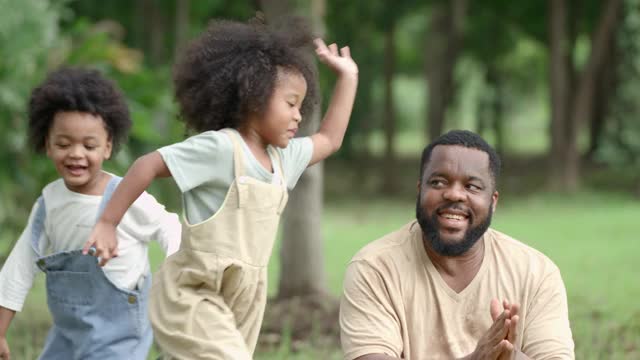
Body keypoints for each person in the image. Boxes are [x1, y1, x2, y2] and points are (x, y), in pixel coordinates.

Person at [83, 16, 358, 360]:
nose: (298, 116)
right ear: (254, 96)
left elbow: (329, 139)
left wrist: (349, 77)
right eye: (291, 104)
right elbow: (148, 165)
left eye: (302, 107)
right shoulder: (221, 149)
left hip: (243, 302)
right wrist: (108, 222)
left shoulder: (284, 160)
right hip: (194, 294)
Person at [339, 130, 574, 360]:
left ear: (493, 202)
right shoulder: (375, 268)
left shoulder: (536, 273)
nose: (454, 194)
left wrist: (510, 357)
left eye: (472, 186)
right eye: (439, 182)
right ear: (420, 190)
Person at [0, 67, 181, 360]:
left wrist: (175, 270)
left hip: (120, 335)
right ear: (47, 144)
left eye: (89, 145)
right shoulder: (49, 203)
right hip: (67, 336)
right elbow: (19, 267)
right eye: (63, 144)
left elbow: (169, 226)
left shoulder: (125, 196)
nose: (76, 153)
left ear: (107, 147)